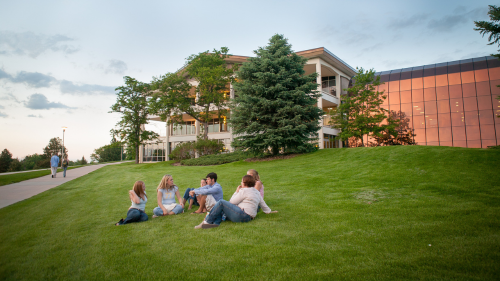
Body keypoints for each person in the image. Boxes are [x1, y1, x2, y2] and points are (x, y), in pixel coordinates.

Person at [195, 175, 277, 229]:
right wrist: (269, 212)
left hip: (242, 215)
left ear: (245, 183)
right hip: (249, 218)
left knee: (221, 203)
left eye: (241, 181)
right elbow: (263, 204)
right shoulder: (256, 192)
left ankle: (206, 222)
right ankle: (215, 223)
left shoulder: (244, 190)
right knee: (221, 209)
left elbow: (232, 202)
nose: (240, 183)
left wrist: (237, 191)